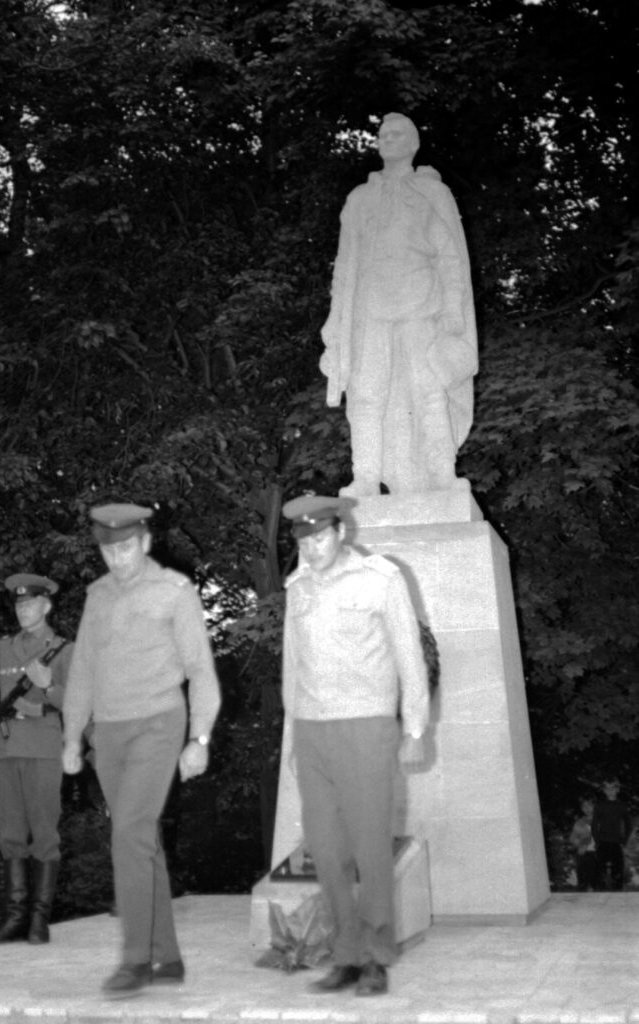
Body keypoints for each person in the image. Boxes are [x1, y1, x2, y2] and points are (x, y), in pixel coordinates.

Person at [62, 503, 221, 997]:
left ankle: (135, 960)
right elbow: (83, 670)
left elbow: (200, 670)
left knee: (129, 832)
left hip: (159, 723)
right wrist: (71, 735)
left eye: (127, 547)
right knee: (141, 838)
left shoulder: (175, 591)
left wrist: (199, 738)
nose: (119, 558)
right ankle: (167, 956)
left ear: (146, 543)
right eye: (109, 551)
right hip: (109, 733)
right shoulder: (97, 596)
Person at [281, 494, 431, 996]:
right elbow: (292, 667)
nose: (312, 549)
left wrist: (414, 729)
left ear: (341, 532)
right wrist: (294, 736)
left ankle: (376, 958)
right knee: (325, 851)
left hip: (366, 727)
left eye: (320, 538)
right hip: (312, 730)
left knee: (370, 847)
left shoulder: (381, 579)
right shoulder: (297, 587)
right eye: (304, 541)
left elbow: (410, 657)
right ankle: (345, 953)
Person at [320, 113, 478, 495]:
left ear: (413, 143)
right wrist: (335, 320)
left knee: (429, 389)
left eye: (396, 134)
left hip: (421, 306)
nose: (387, 140)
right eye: (382, 135)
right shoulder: (359, 199)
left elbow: (450, 258)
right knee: (366, 394)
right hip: (369, 312)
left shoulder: (432, 194)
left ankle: (441, 474)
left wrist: (453, 310)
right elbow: (345, 264)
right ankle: (366, 477)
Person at [0, 573, 73, 944]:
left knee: (44, 832)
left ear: (46, 605)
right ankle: (15, 918)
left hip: (43, 749)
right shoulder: (4, 647)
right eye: (18, 603)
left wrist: (48, 686)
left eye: (29, 603)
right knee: (9, 834)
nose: (22, 609)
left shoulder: (63, 649)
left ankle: (39, 921)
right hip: (5, 748)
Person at [592, 777, 632, 891]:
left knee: (618, 874)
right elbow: (594, 825)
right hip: (602, 842)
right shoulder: (599, 805)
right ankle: (600, 895)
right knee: (600, 874)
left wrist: (624, 842)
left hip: (617, 842)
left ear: (617, 789)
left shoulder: (622, 806)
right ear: (604, 790)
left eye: (613, 788)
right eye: (607, 788)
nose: (610, 791)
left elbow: (629, 826)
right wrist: (597, 841)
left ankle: (617, 895)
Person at [568, 796, 598, 892]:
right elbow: (572, 838)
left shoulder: (600, 821)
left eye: (590, 806)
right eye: (584, 806)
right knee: (582, 883)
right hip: (583, 854)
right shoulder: (579, 822)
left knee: (597, 882)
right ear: (581, 808)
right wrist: (581, 845)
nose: (587, 808)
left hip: (597, 854)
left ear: (594, 806)